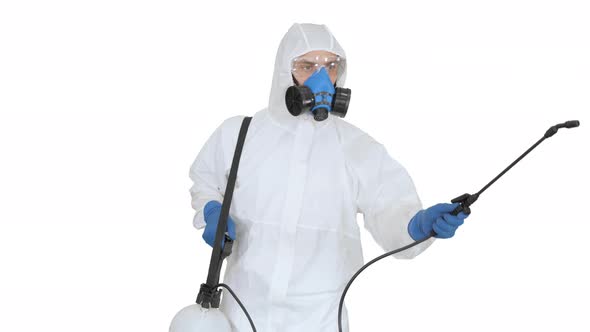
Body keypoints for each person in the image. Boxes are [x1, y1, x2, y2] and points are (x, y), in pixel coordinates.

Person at [189, 23, 469, 332]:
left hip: (318, 318)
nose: (322, 78)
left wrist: (417, 225)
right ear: (285, 70)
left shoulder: (357, 148)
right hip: (240, 310)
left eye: (331, 66)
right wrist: (212, 210)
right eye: (307, 66)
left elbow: (389, 207)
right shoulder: (239, 134)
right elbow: (206, 180)